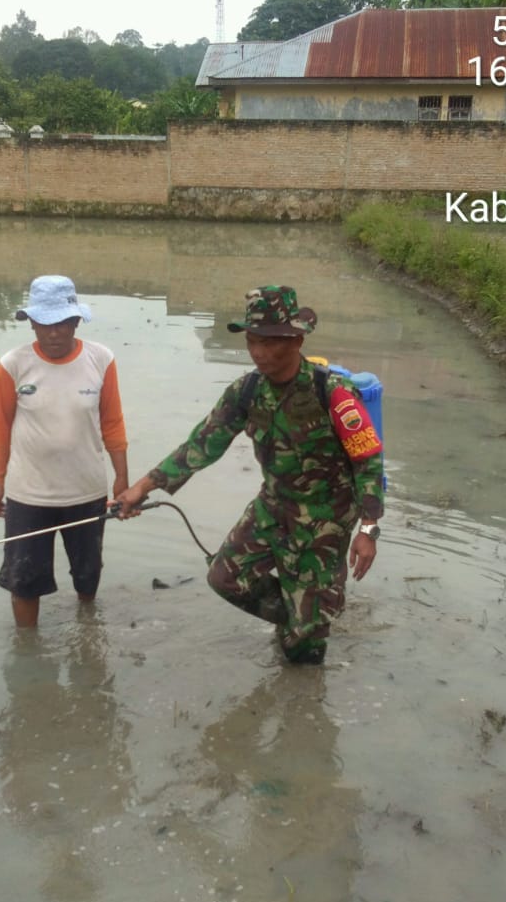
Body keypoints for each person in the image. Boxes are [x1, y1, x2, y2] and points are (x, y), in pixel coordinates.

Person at [115, 285, 383, 664]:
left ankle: (307, 634)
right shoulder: (247, 392)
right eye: (253, 340)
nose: (257, 351)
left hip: (325, 521)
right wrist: (140, 488)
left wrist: (368, 530)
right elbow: (201, 445)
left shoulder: (333, 394)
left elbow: (368, 462)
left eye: (269, 342)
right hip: (273, 507)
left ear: (296, 339)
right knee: (225, 577)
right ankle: (300, 614)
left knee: (303, 654)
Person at [0, 275, 129, 628]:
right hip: (28, 494)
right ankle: (27, 651)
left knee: (88, 572)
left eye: (63, 323)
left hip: (86, 490)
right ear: (32, 322)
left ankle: (87, 629)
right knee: (24, 580)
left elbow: (113, 423)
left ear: (76, 321)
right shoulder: (13, 364)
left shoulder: (101, 360)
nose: (54, 333)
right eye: (45, 324)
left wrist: (122, 478)